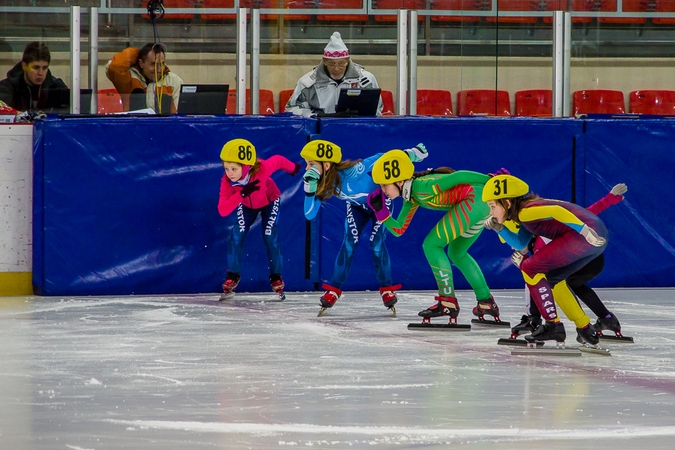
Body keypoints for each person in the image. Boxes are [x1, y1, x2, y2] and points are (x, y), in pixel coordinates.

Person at [367, 150, 504, 324]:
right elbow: (399, 229)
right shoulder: (412, 198)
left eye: (384, 185)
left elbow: (458, 176)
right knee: (457, 252)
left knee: (431, 245)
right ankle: (486, 302)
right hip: (480, 203)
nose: (382, 190)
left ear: (399, 181)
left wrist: (493, 182)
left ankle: (448, 302)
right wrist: (382, 213)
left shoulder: (421, 187)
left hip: (474, 199)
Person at [301, 140, 427, 316]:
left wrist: (411, 154)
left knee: (377, 244)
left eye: (311, 164)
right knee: (349, 243)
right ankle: (333, 289)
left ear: (327, 164)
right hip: (356, 208)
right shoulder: (322, 183)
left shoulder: (352, 172)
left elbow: (381, 158)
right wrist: (309, 190)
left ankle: (386, 287)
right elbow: (309, 214)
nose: (307, 169)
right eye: (307, 164)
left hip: (379, 203)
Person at [482, 174, 605, 346]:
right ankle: (584, 328)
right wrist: (499, 228)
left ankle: (553, 326)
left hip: (585, 235)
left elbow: (556, 211)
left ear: (507, 203)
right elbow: (521, 244)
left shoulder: (526, 212)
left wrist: (585, 231)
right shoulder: (525, 215)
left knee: (530, 268)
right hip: (594, 236)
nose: (491, 212)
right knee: (553, 280)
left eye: (492, 206)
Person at [509, 183, 629, 341]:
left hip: (585, 257)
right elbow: (587, 214)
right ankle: (605, 318)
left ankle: (577, 325)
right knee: (570, 284)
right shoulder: (543, 228)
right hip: (593, 256)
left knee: (547, 279)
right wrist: (610, 198)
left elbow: (535, 278)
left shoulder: (541, 238)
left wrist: (535, 318)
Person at [218, 138, 301, 300]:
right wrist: (242, 194)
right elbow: (223, 210)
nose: (229, 173)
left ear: (247, 166)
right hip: (246, 205)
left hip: (269, 201)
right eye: (226, 168)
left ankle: (276, 276)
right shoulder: (227, 181)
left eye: (233, 168)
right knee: (237, 234)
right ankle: (233, 276)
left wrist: (292, 168)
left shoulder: (261, 169)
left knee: (269, 234)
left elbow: (277, 160)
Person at [285, 32, 383, 117]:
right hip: (321, 131)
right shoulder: (307, 83)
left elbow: (378, 108)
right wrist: (314, 116)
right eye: (331, 63)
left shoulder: (366, 80)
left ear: (348, 60)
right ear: (324, 61)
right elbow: (291, 109)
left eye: (341, 63)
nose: (336, 68)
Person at [105, 42, 183, 113]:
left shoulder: (174, 81)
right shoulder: (129, 78)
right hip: (133, 126)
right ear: (141, 63)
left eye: (162, 64)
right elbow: (115, 67)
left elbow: (177, 115)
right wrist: (137, 52)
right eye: (153, 64)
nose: (158, 70)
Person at [0, 41, 68, 112]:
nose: (40, 73)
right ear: (24, 66)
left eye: (44, 68)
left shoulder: (57, 87)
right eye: (35, 68)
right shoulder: (7, 88)